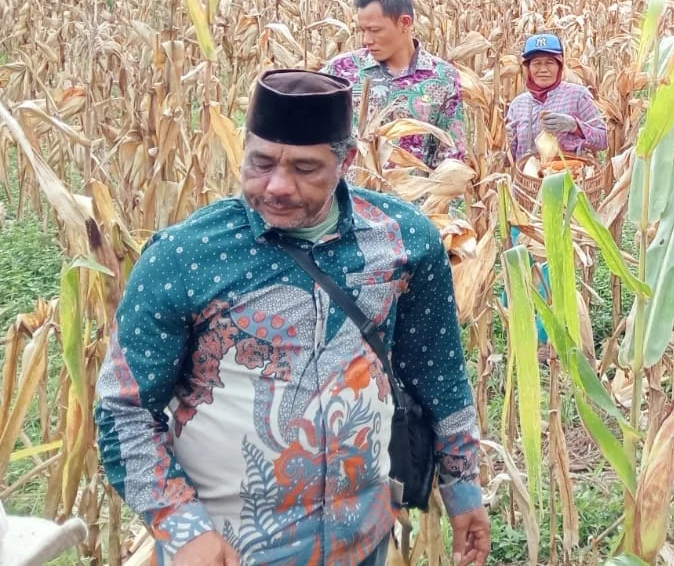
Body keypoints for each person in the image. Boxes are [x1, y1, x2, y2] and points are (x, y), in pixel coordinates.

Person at [94, 69, 491, 566]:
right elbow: (124, 408)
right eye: (261, 163)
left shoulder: (403, 240)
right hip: (228, 549)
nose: (277, 186)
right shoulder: (185, 256)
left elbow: (438, 373)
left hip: (363, 540)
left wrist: (462, 487)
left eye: (306, 169)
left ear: (346, 161)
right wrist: (180, 526)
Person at [322, 0, 468, 168]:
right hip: (349, 187)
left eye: (375, 30)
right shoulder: (341, 70)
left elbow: (452, 155)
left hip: (412, 187)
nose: (366, 40)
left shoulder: (443, 78)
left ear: (405, 23)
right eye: (363, 30)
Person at [505, 32, 608, 169]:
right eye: (536, 63)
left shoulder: (578, 95)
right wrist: (506, 141)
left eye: (549, 63)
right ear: (528, 68)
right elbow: (509, 160)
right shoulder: (518, 104)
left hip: (569, 179)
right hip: (527, 180)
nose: (543, 69)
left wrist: (575, 127)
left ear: (560, 65)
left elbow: (603, 140)